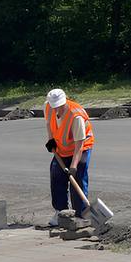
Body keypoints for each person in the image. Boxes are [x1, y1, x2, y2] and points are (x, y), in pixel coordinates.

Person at [43, 88, 95, 226]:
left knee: (78, 178)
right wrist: (51, 140)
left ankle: (80, 215)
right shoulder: (48, 106)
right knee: (56, 176)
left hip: (81, 148)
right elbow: (49, 123)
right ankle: (61, 212)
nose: (56, 110)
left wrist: (73, 166)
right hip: (61, 148)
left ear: (64, 102)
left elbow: (79, 145)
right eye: (54, 107)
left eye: (59, 107)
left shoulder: (75, 116)